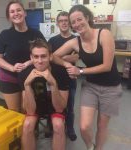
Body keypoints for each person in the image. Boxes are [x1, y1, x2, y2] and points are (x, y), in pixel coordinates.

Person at [53, 5, 122, 150]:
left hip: (111, 88)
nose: (77, 24)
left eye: (80, 19)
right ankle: (90, 147)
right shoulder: (75, 42)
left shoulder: (104, 34)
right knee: (84, 127)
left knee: (101, 126)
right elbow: (53, 56)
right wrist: (67, 64)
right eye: (74, 22)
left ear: (87, 18)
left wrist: (80, 71)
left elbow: (106, 66)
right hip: (91, 87)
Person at [0, 0, 45, 112]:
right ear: (9, 17)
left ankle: (29, 129)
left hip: (30, 76)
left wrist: (29, 62)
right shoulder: (5, 34)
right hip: (9, 77)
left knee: (27, 109)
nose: (16, 13)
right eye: (12, 12)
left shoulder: (36, 34)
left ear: (25, 13)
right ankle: (20, 130)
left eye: (18, 10)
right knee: (15, 111)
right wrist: (12, 68)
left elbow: (46, 55)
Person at [19, 39, 69, 150]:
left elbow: (60, 108)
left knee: (58, 125)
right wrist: (27, 85)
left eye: (43, 56)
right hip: (36, 107)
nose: (40, 61)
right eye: (36, 57)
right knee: (27, 124)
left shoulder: (61, 73)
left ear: (50, 56)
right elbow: (30, 110)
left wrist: (53, 84)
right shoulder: (24, 74)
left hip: (54, 107)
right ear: (31, 58)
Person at [48, 11, 79, 141]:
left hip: (70, 79)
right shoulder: (52, 40)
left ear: (70, 23)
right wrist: (66, 58)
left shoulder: (76, 40)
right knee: (53, 104)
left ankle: (70, 129)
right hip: (55, 79)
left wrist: (71, 57)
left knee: (70, 106)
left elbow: (79, 56)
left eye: (66, 20)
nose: (64, 23)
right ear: (57, 23)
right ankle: (51, 127)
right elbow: (49, 58)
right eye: (61, 21)